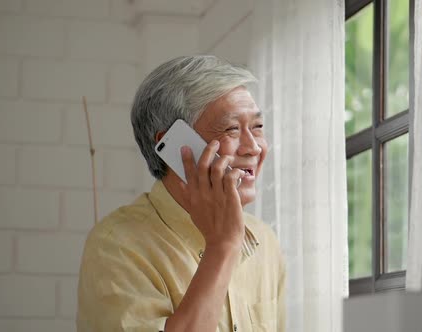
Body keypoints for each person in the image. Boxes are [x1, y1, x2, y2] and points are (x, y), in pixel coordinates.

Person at [77, 55, 285, 332]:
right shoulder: (116, 246)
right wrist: (222, 247)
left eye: (257, 127)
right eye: (232, 129)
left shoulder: (265, 242)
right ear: (176, 147)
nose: (254, 147)